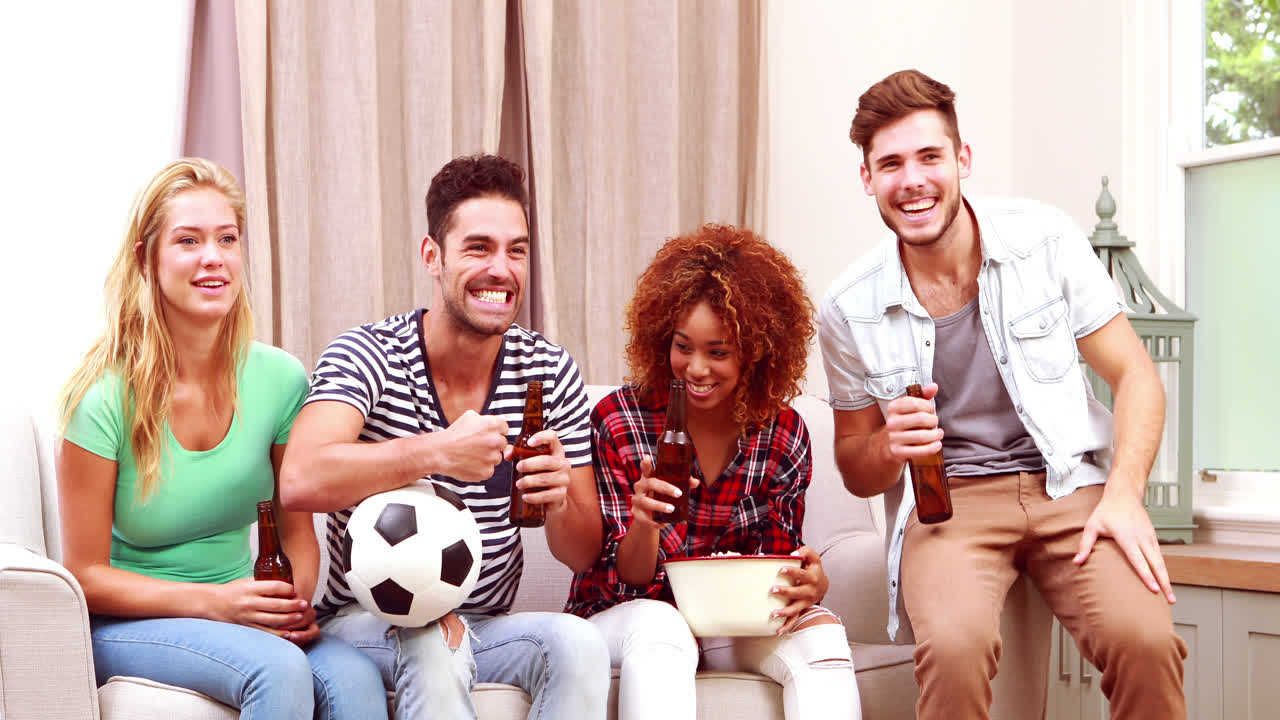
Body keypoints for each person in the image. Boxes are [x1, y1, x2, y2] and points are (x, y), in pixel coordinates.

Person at [818, 69, 1187, 719]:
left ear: (962, 159)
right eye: (891, 164)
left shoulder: (1044, 240)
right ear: (867, 178)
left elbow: (1137, 376)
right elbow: (853, 462)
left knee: (1147, 640)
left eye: (930, 156)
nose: (913, 181)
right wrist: (885, 444)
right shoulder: (848, 309)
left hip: (1069, 484)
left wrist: (1126, 494)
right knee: (955, 650)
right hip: (949, 506)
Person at [279, 153, 610, 720]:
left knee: (578, 644)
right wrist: (437, 452)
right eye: (479, 247)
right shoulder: (369, 355)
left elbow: (579, 552)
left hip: (487, 623)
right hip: (368, 621)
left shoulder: (548, 371)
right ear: (433, 256)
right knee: (436, 645)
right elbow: (300, 479)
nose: (501, 270)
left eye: (517, 250)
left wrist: (559, 501)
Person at [56, 158, 388, 719]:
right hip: (128, 623)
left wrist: (290, 604)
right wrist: (215, 604)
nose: (213, 257)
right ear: (147, 258)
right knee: (276, 670)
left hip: (242, 610)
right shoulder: (102, 398)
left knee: (355, 678)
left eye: (227, 239)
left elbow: (296, 533)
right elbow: (85, 575)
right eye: (188, 241)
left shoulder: (280, 380)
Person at [567, 224, 861, 720]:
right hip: (628, 615)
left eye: (718, 352)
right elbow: (627, 579)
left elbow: (773, 566)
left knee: (821, 630)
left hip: (729, 618)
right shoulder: (621, 419)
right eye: (683, 347)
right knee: (663, 627)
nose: (696, 369)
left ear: (757, 352)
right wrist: (645, 521)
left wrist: (807, 583)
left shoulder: (782, 433)